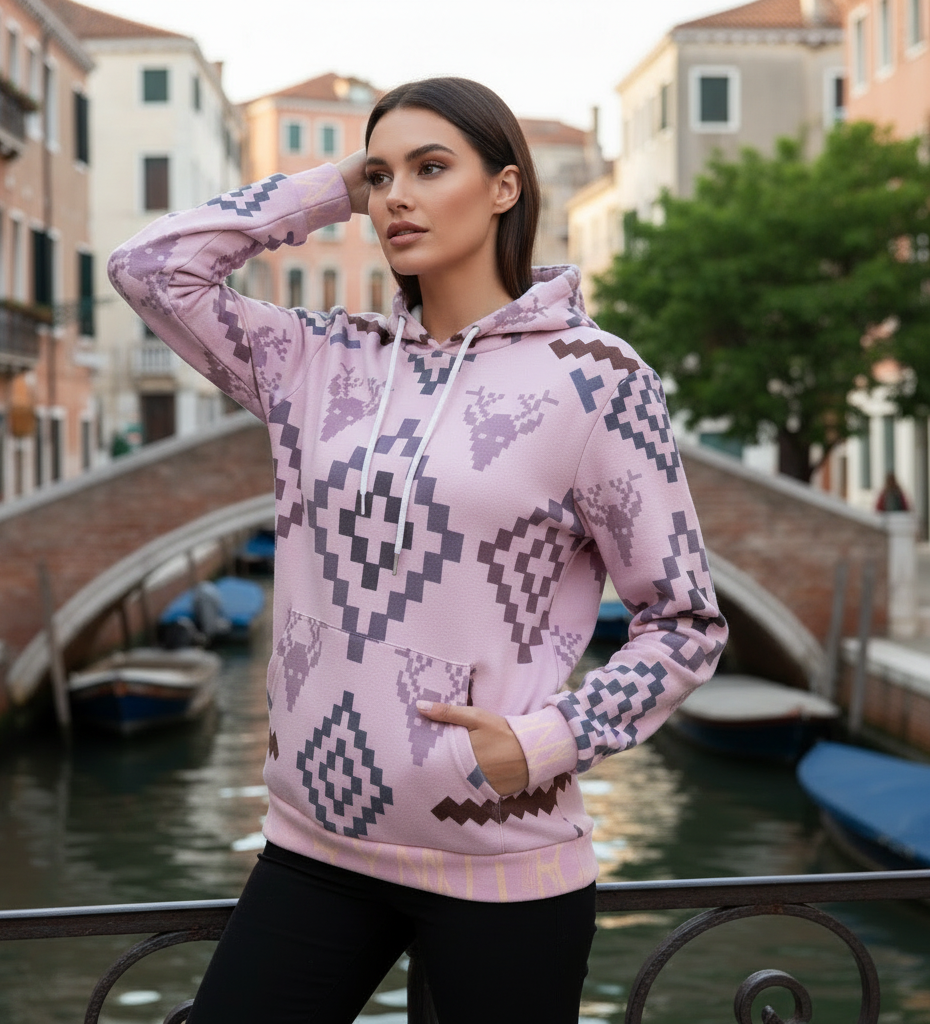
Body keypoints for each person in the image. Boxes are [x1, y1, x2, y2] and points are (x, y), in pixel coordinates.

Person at [108, 77, 727, 1024]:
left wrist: (544, 743)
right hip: (315, 846)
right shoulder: (319, 362)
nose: (397, 194)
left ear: (505, 188)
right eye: (382, 173)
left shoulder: (598, 381)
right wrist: (330, 188)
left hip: (504, 855)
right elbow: (151, 267)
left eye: (431, 168)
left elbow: (683, 623)